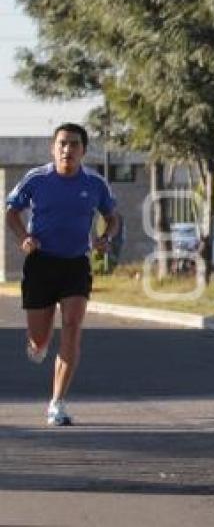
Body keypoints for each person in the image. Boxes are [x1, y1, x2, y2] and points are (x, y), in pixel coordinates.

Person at [5, 123, 119, 426]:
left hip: (75, 264)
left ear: (83, 150)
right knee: (40, 340)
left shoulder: (95, 183)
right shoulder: (37, 179)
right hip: (41, 263)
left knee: (72, 326)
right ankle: (37, 343)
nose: (67, 150)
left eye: (74, 145)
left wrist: (105, 239)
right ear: (52, 148)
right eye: (62, 144)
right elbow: (11, 211)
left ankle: (57, 402)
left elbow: (113, 216)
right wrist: (23, 238)